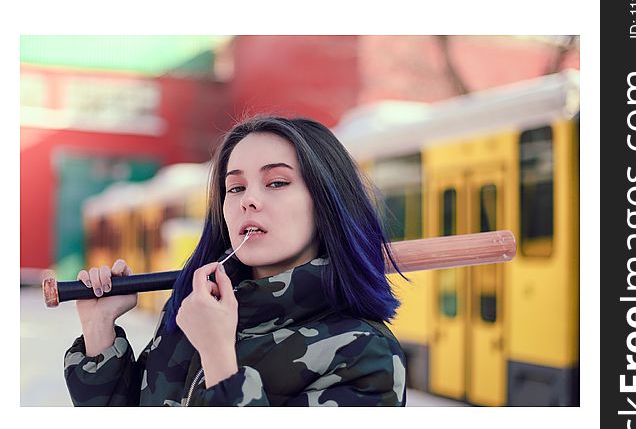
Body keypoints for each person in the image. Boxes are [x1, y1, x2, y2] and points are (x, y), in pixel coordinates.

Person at [64, 116, 408, 406]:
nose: (250, 201)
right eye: (236, 188)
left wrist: (218, 357)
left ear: (326, 203)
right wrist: (99, 329)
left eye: (276, 182)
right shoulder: (193, 309)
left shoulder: (366, 355)